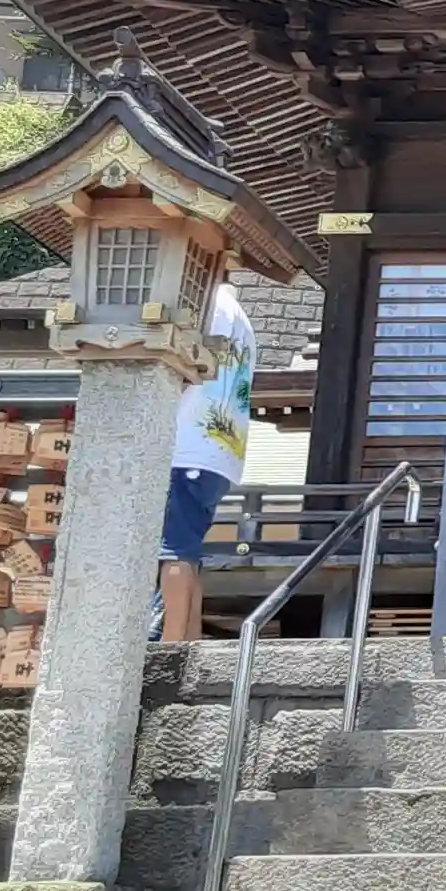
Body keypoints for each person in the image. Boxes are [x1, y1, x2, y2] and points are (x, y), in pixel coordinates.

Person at [159, 274, 256, 643]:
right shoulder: (241, 320)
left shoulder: (205, 306)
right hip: (220, 452)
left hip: (189, 444)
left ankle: (170, 642)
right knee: (188, 550)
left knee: (173, 549)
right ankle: (189, 638)